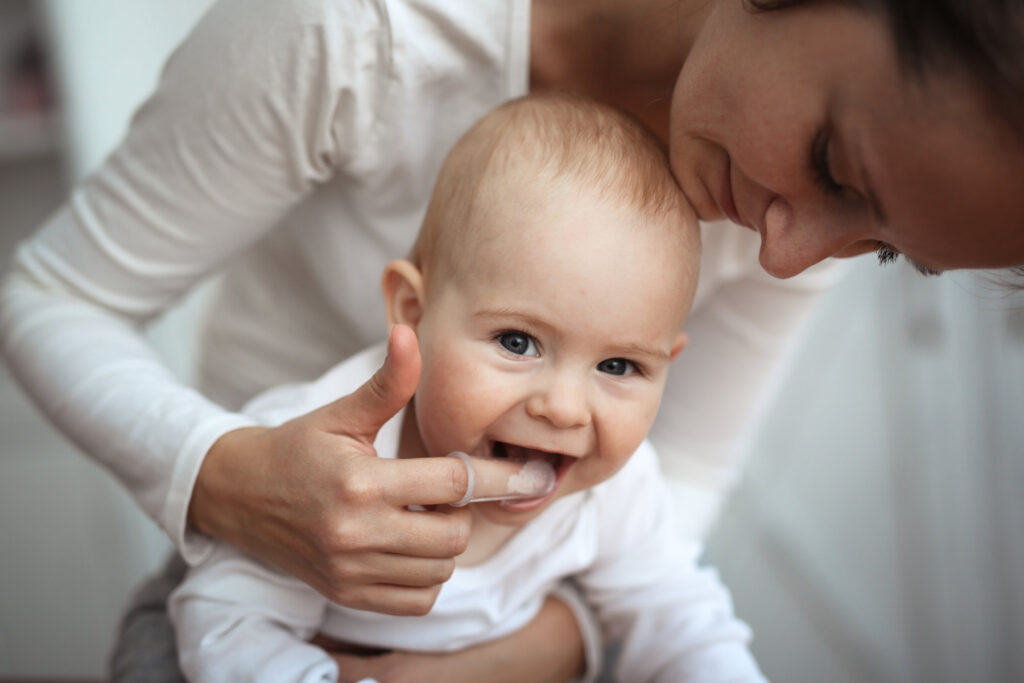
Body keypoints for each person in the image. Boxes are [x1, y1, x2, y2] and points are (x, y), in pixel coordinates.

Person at [0, 0, 1021, 679]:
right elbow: (51, 296)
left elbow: (674, 551)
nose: (794, 259)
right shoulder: (354, 30)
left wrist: (538, 647)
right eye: (836, 166)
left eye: (883, 249)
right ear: (406, 307)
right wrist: (222, 475)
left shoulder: (608, 482)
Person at [169, 92, 763, 683]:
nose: (563, 409)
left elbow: (680, 622)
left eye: (618, 367)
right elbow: (226, 628)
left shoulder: (616, 491)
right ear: (413, 312)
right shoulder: (313, 460)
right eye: (517, 342)